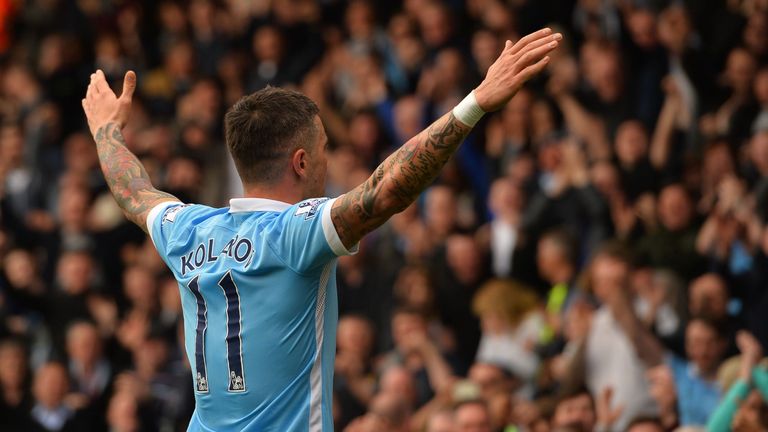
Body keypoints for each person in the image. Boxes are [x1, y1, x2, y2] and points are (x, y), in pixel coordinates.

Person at [81, 27, 562, 431]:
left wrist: (106, 130)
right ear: (302, 161)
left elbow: (133, 192)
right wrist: (475, 103)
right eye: (325, 147)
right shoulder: (294, 234)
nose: (329, 160)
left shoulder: (188, 228)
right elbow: (385, 191)